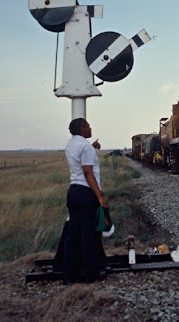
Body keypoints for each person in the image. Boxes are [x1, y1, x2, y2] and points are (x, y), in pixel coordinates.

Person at [62, 117, 108, 284]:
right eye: (88, 126)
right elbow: (88, 173)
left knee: (73, 234)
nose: (90, 128)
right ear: (82, 128)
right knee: (89, 234)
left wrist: (92, 147)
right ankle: (90, 274)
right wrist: (100, 196)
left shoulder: (71, 144)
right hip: (86, 193)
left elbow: (80, 157)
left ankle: (69, 274)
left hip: (73, 191)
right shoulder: (85, 147)